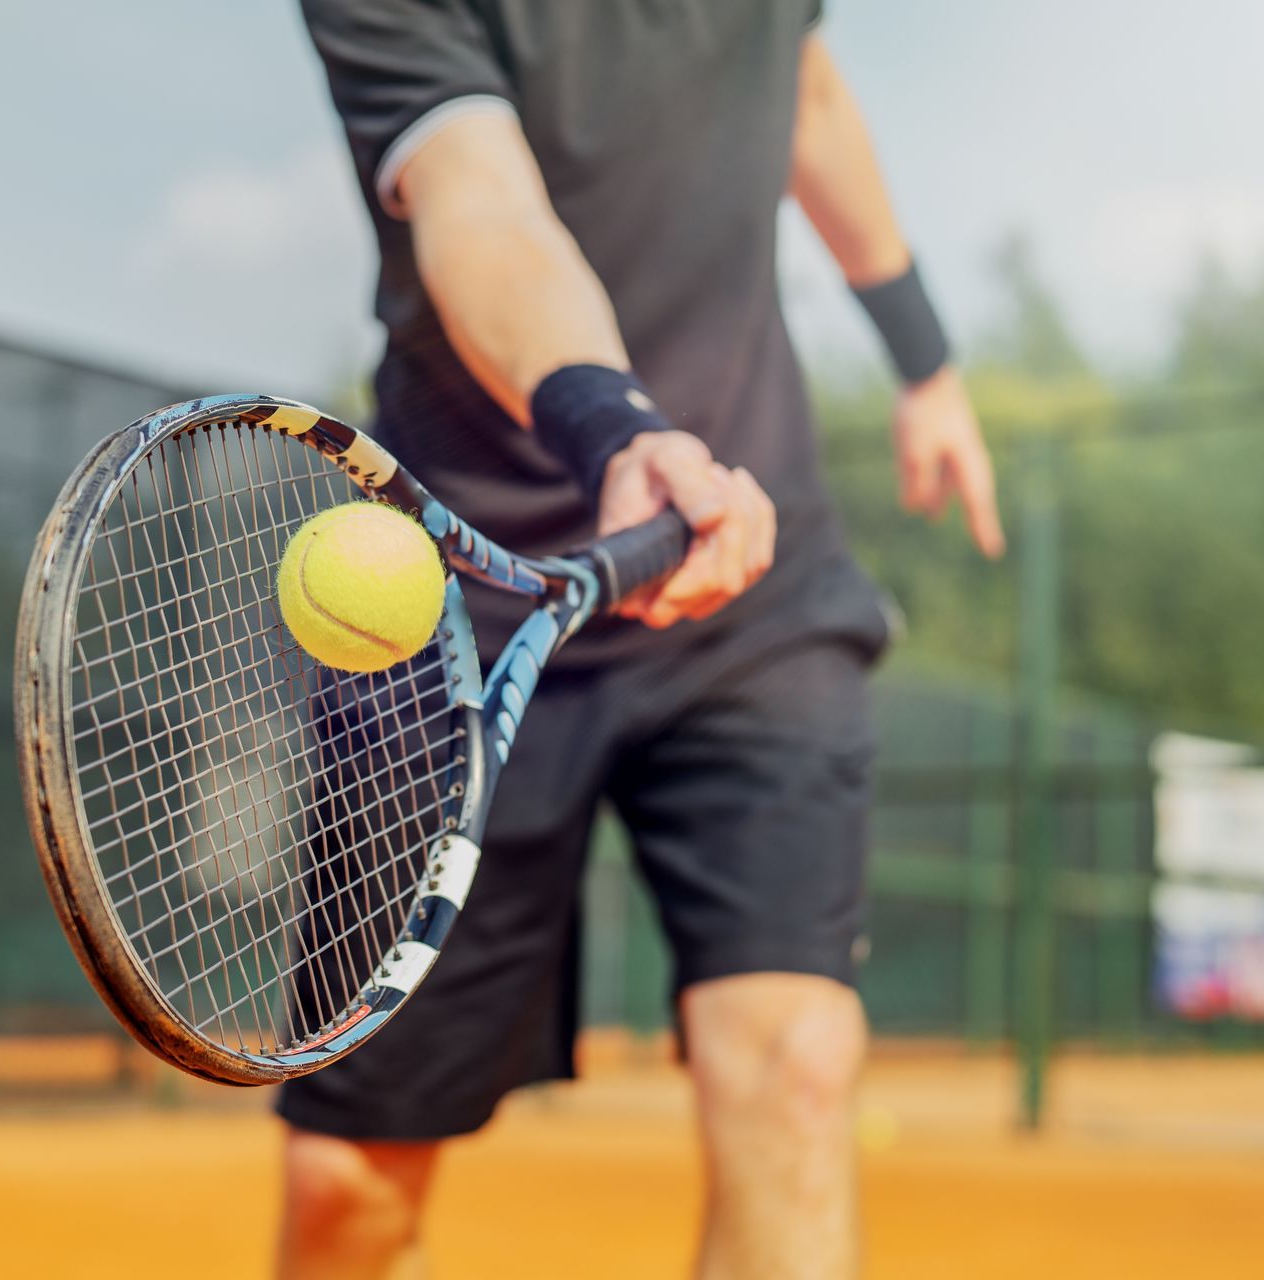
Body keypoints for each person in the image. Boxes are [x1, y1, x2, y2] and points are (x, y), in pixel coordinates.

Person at [279, 3, 1003, 1278]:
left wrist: (924, 357)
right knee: (350, 1181)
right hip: (456, 598)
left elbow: (810, 97)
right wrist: (612, 425)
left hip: (744, 573)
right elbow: (483, 204)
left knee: (795, 1069)